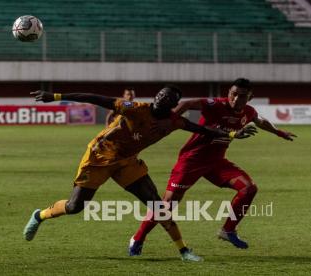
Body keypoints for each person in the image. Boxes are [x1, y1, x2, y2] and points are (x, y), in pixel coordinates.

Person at [23, 86, 256, 261]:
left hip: (127, 162)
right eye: (161, 94)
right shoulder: (134, 109)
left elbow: (202, 129)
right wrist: (54, 97)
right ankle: (40, 216)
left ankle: (184, 251)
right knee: (75, 207)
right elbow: (94, 98)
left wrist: (234, 135)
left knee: (158, 206)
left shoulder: (174, 121)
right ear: (156, 96)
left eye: (169, 98)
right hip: (99, 157)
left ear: (172, 105)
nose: (162, 98)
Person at [129, 78, 296, 255]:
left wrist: (279, 132)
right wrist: (170, 120)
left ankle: (228, 230)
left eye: (242, 96)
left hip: (217, 163)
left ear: (250, 97)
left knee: (249, 188)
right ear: (228, 93)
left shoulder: (248, 111)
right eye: (233, 94)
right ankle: (138, 238)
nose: (236, 99)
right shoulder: (214, 105)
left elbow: (260, 121)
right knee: (167, 205)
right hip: (191, 161)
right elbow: (186, 104)